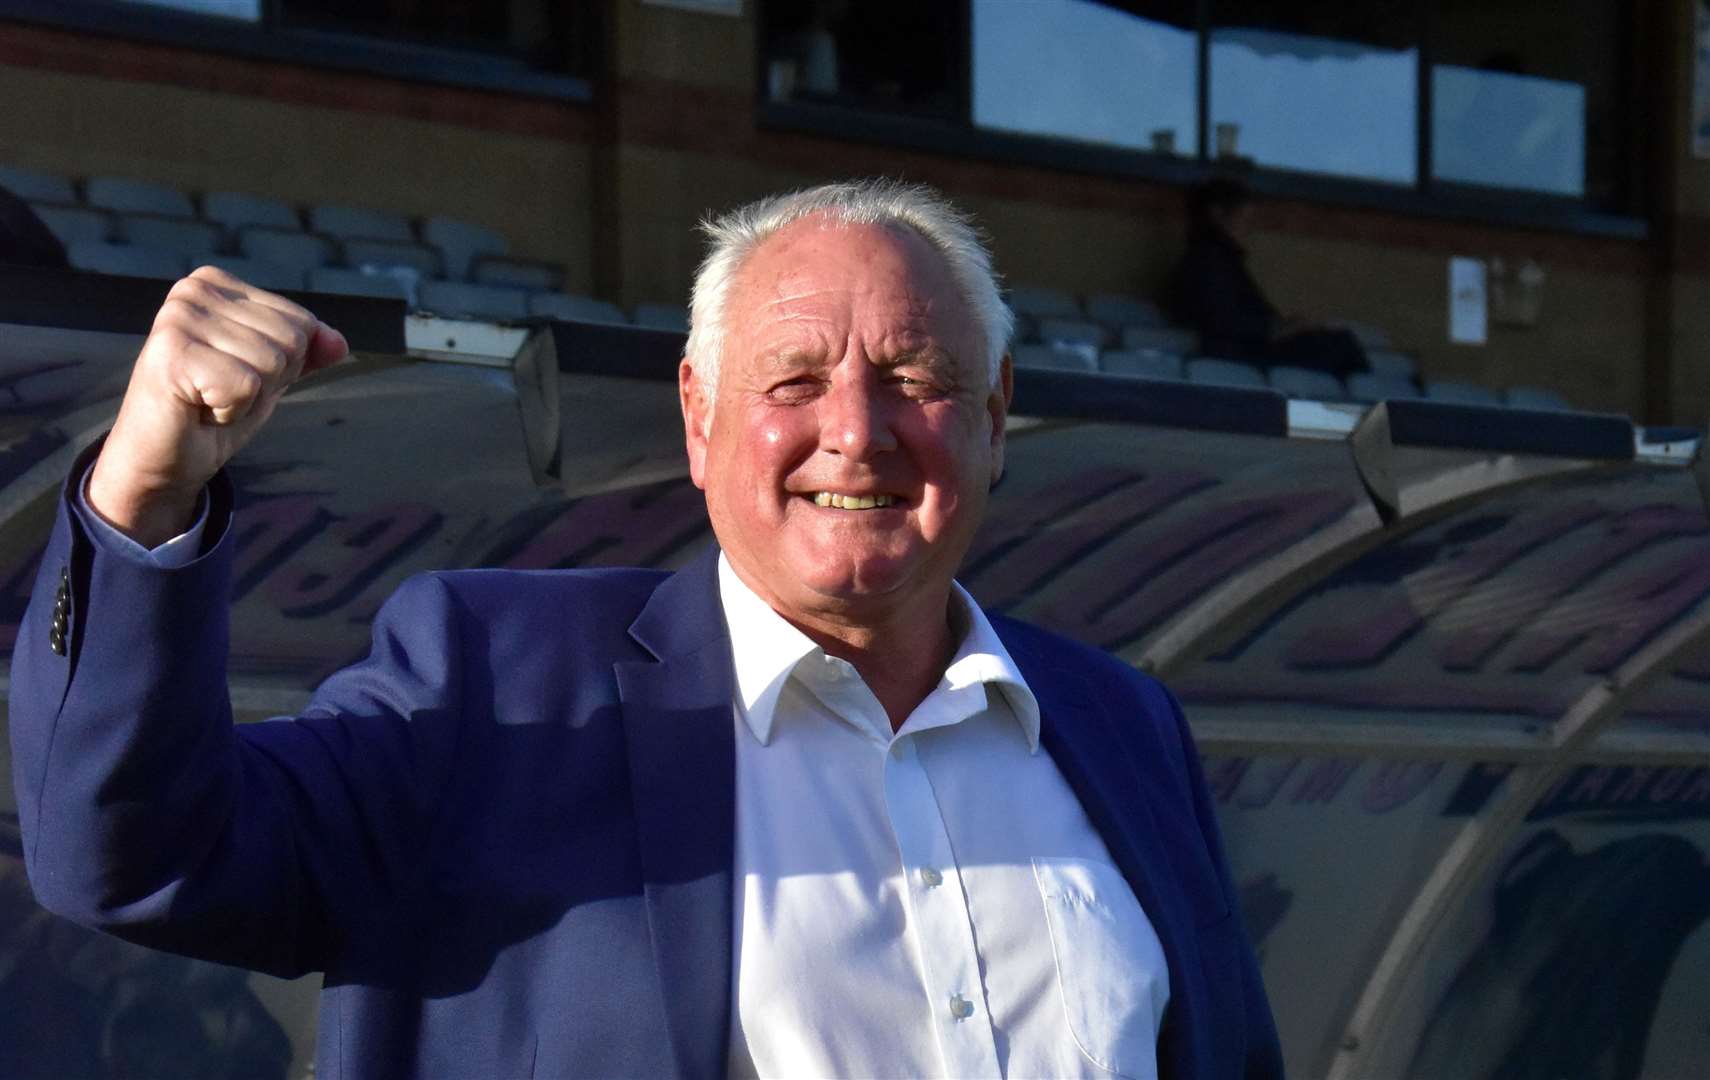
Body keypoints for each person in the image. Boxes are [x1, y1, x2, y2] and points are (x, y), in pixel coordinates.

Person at [11, 180, 1282, 1079]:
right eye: (795, 381)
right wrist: (144, 495)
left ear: (996, 415)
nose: (857, 429)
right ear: (698, 415)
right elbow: (132, 856)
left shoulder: (1124, 726)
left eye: (917, 380)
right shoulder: (495, 690)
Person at [1165, 177, 1368, 380]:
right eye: (1243, 219)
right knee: (1340, 345)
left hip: (1249, 349)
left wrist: (1287, 326)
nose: (1248, 229)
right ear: (1217, 214)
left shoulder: (1224, 262)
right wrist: (1278, 329)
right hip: (1238, 355)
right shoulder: (1207, 263)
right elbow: (1224, 323)